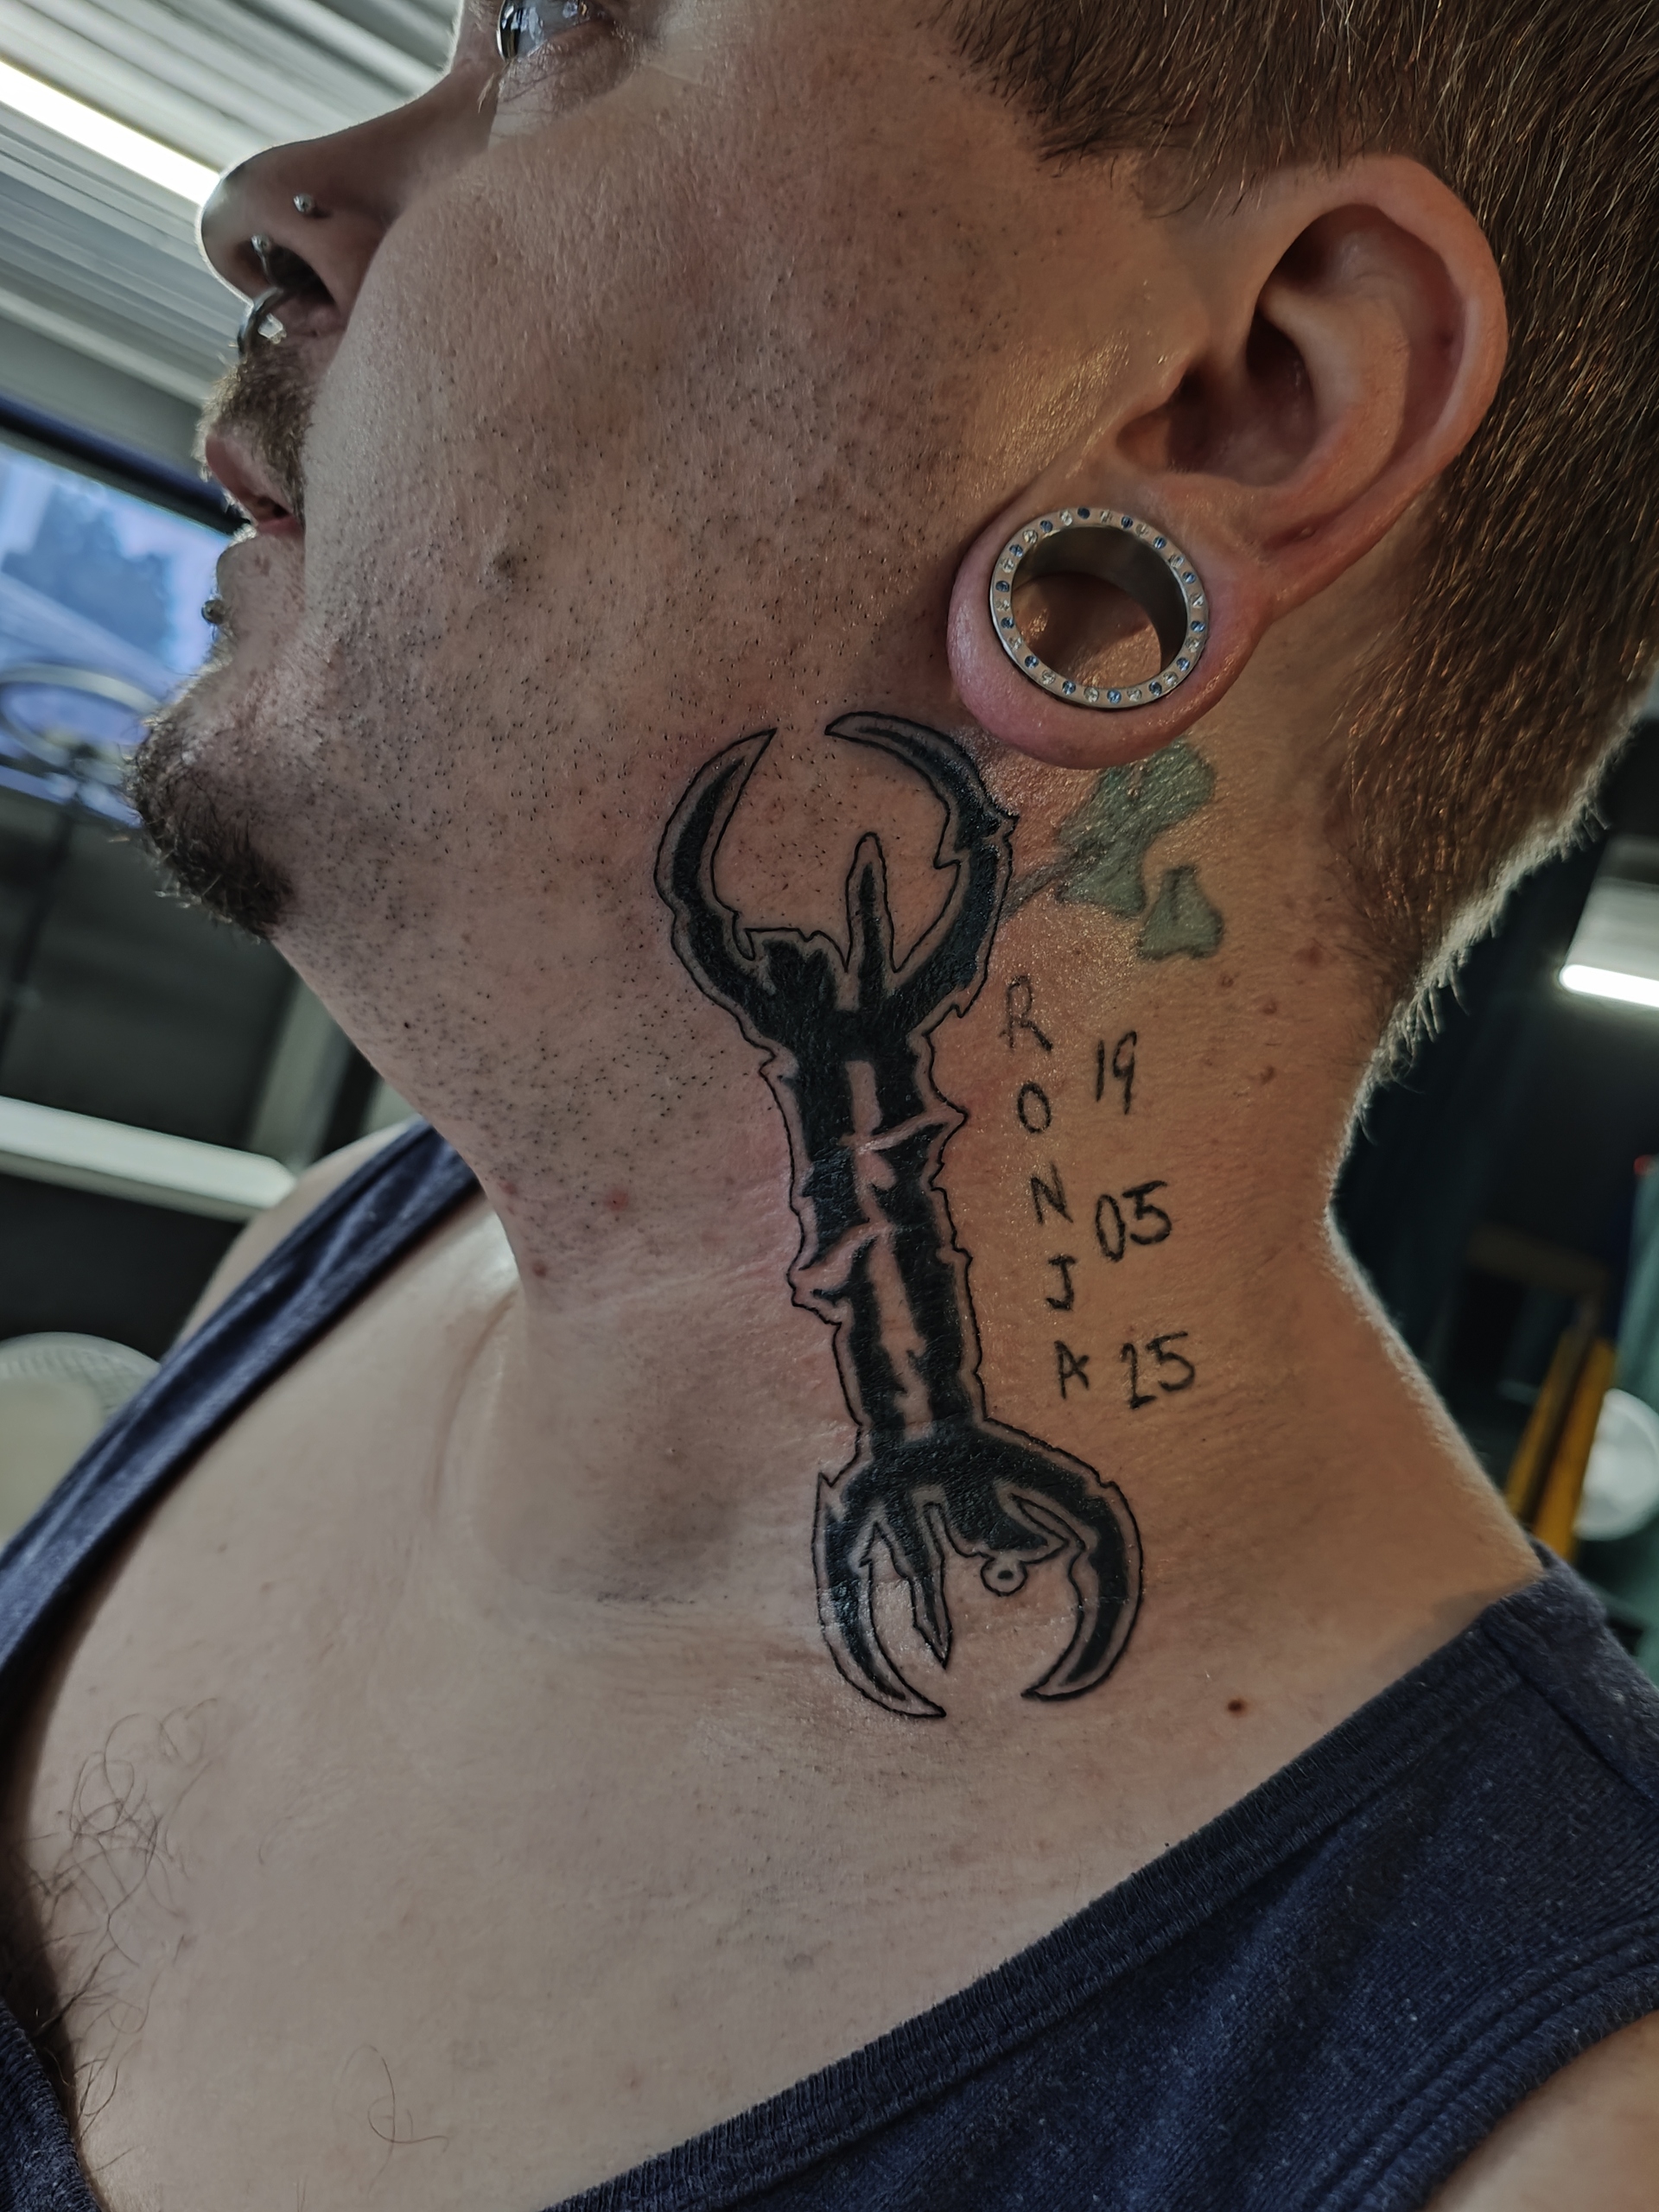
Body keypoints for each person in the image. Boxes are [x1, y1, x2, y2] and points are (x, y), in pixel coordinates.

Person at [2, 1, 1657, 2204]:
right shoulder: (330, 1255)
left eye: (554, 23)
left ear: (1243, 407)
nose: (268, 206)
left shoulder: (1548, 2147)